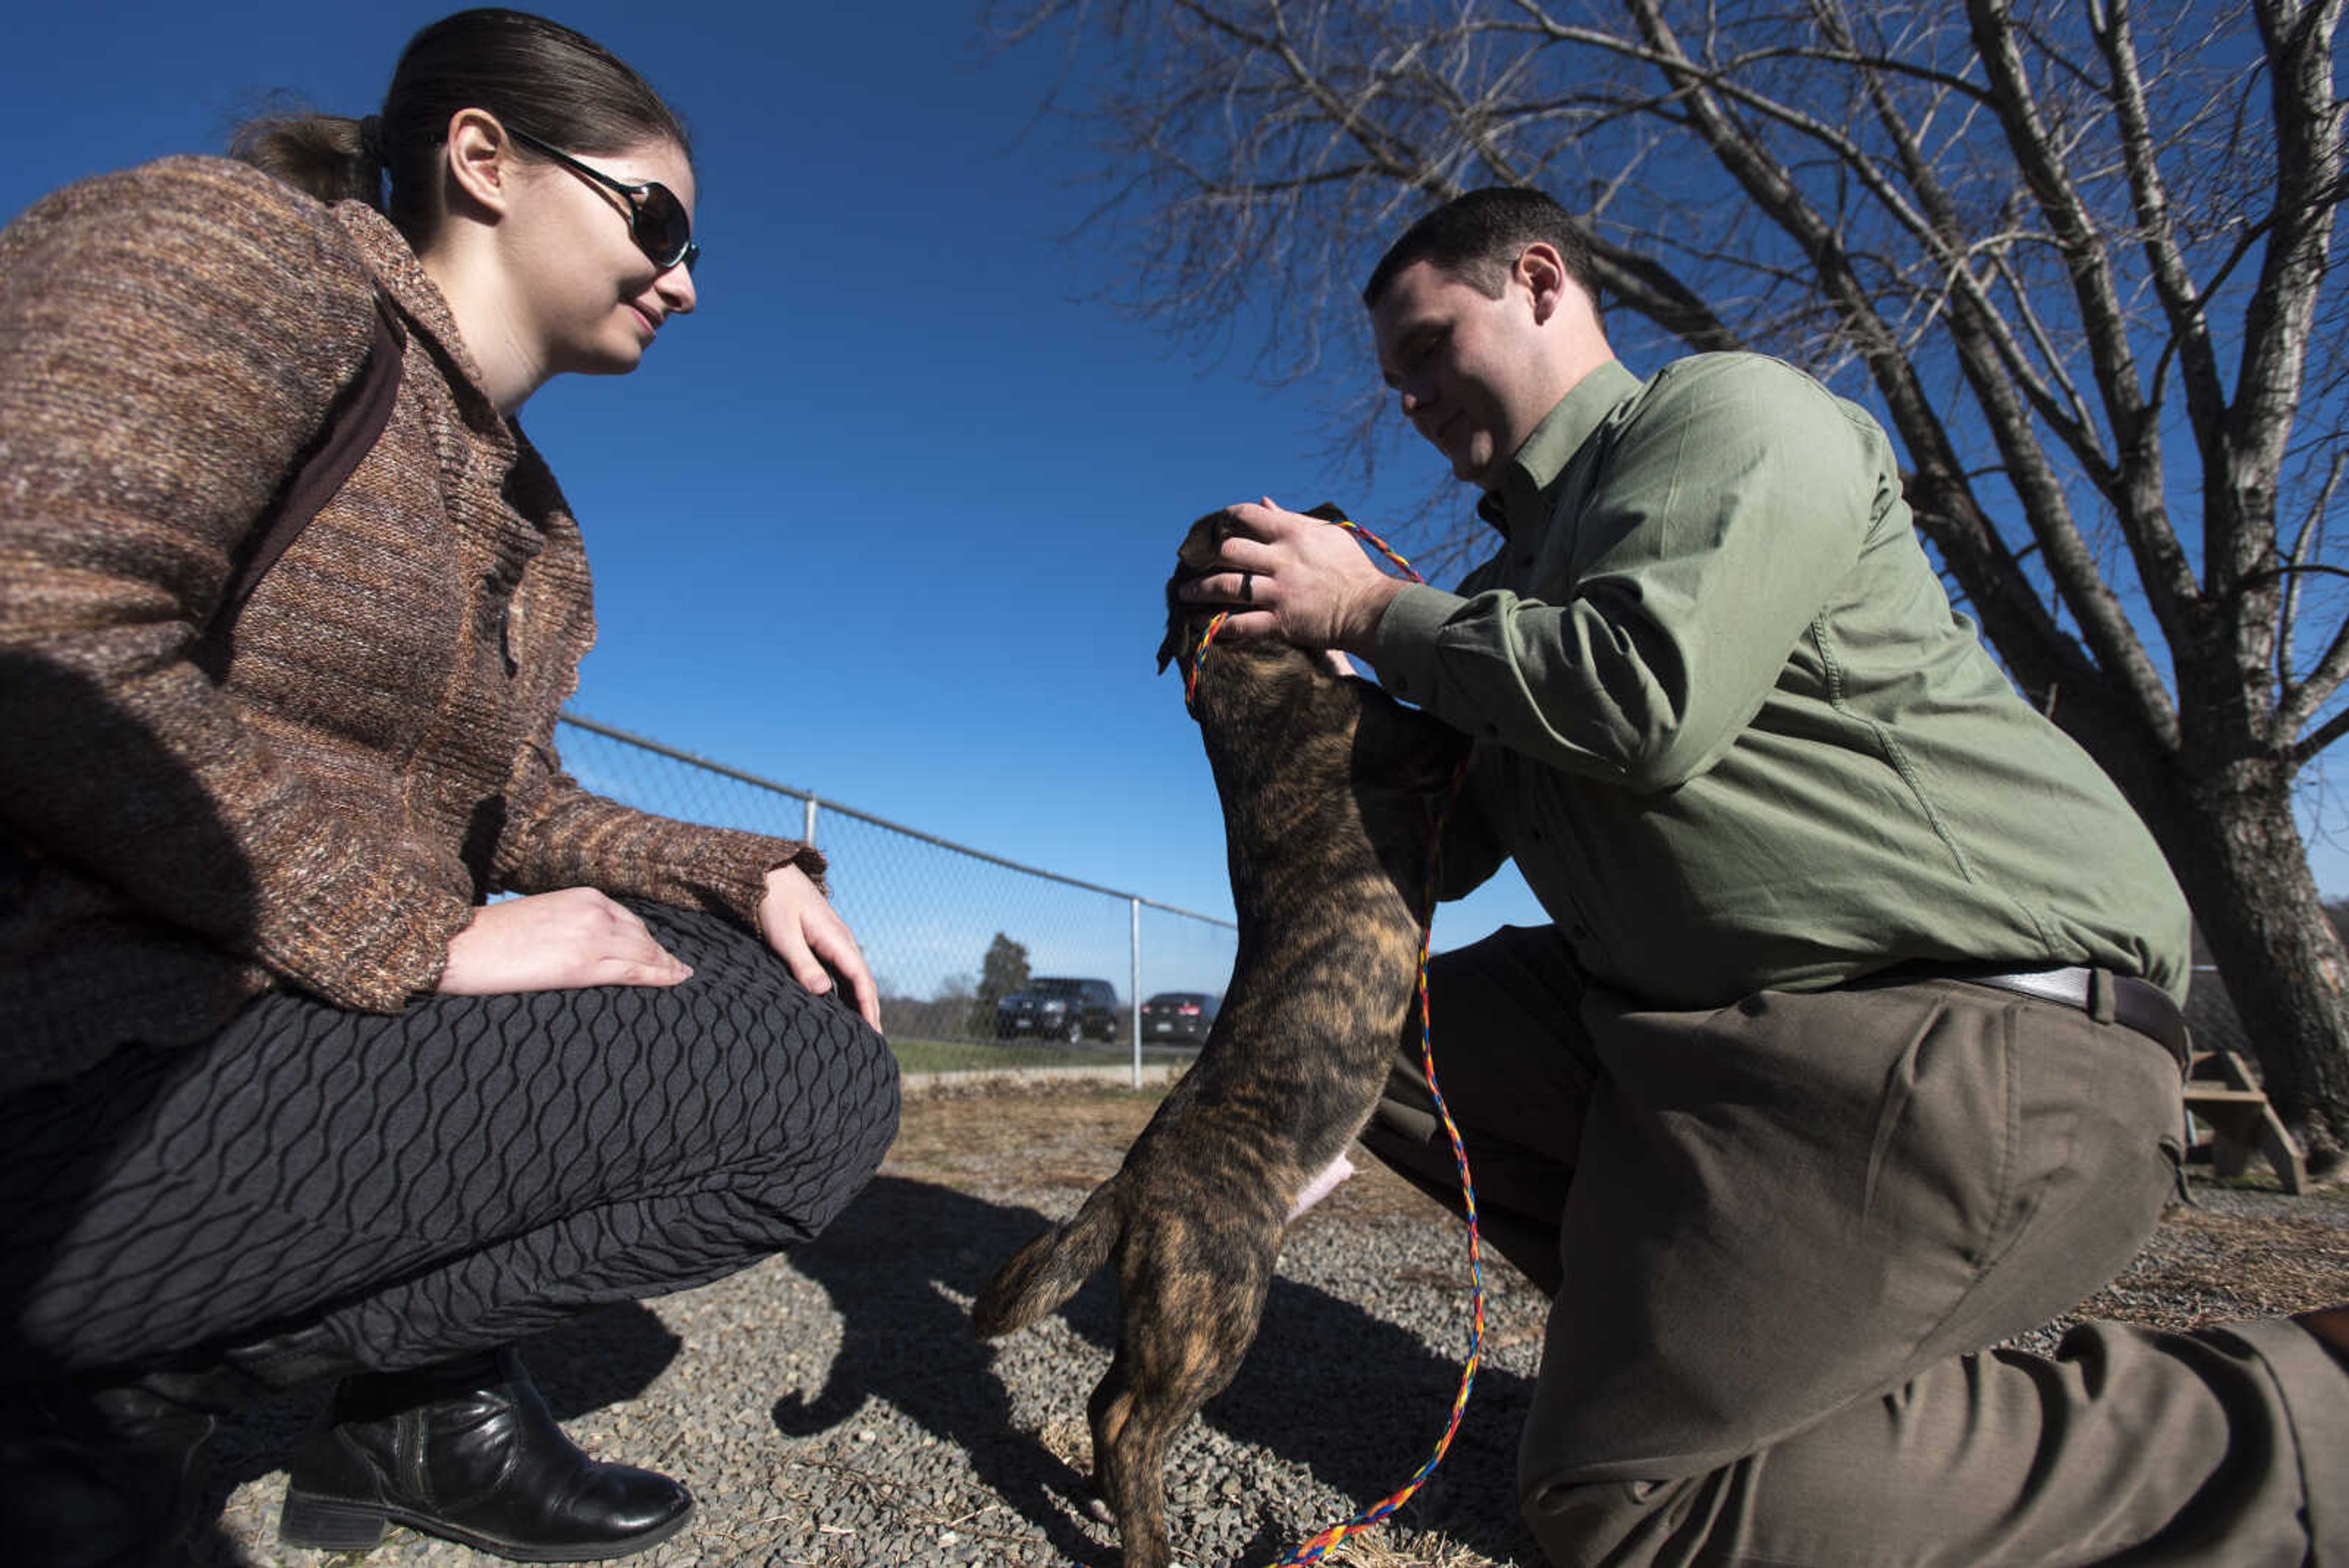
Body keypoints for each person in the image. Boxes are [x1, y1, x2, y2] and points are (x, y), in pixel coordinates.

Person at [1186, 187, 2347, 1565]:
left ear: (1542, 281)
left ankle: (2305, 1406)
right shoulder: (1510, 582)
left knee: (1624, 1512)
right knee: (1369, 1039)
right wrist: (1307, 694)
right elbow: (1439, 847)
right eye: (1397, 383)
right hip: (1730, 1045)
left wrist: (1371, 610)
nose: (1416, 400)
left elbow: (1640, 698)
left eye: (1432, 347)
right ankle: (1714, 1352)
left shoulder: (1726, 416)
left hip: (1977, 1027)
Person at [0, 10, 899, 1564]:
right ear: (483, 159)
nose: (688, 277)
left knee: (803, 1042)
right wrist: (425, 939)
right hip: (64, 1046)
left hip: (241, 1022)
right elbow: (39, 626)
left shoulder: (525, 517)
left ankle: (373, 1404)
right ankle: (113, 1382)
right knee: (791, 1082)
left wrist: (739, 866)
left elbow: (518, 805)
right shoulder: (240, 255)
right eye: (658, 219)